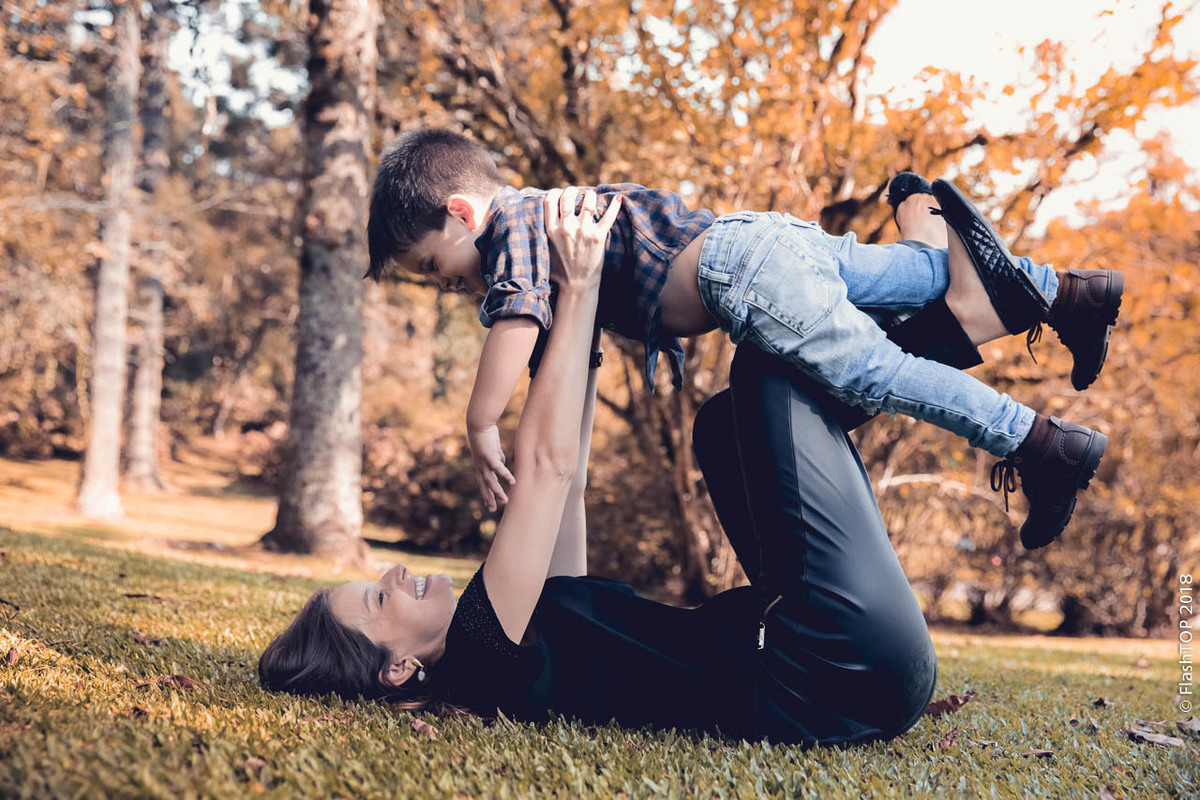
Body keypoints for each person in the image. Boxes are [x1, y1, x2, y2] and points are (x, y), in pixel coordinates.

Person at [260, 188, 942, 744]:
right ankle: (933, 295)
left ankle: (927, 310)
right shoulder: (478, 652)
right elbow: (548, 470)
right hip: (832, 667)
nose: (393, 574)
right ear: (398, 669)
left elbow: (569, 482)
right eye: (379, 598)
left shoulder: (518, 635)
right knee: (765, 359)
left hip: (847, 665)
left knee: (724, 424)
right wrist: (580, 287)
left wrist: (569, 324)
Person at [366, 131, 1122, 550]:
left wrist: (478, 424)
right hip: (761, 240)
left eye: (437, 269)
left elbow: (518, 319)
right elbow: (557, 358)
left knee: (875, 373)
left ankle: (1039, 443)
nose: (451, 287)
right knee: (920, 282)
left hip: (741, 276)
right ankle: (1069, 293)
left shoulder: (516, 229)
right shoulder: (548, 221)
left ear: (463, 213)